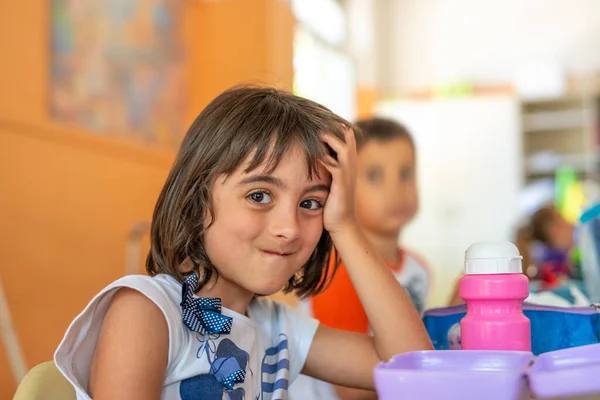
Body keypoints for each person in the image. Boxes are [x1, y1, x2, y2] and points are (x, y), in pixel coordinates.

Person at [53, 86, 432, 400]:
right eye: (259, 195)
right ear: (197, 198)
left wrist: (346, 227)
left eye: (310, 203)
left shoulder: (280, 330)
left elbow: (414, 370)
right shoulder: (148, 313)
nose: (289, 228)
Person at [291, 117, 431, 399]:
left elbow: (417, 354)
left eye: (405, 174)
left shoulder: (419, 268)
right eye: (375, 176)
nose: (395, 191)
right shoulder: (337, 271)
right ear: (344, 186)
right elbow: (350, 391)